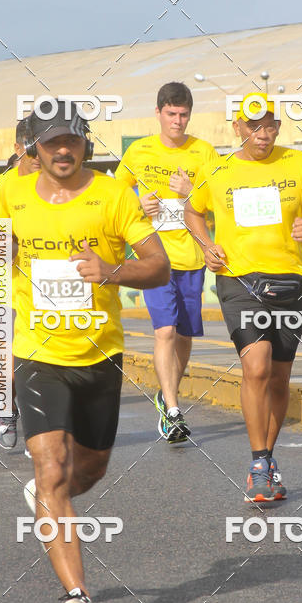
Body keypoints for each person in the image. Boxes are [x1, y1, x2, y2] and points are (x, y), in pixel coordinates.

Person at [0, 102, 169, 603]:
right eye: (51, 143)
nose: (62, 150)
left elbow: (159, 265)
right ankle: (79, 600)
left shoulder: (114, 194)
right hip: (37, 353)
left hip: (99, 353)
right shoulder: (6, 195)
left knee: (88, 471)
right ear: (33, 148)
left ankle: (53, 498)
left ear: (84, 143)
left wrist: (112, 271)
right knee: (50, 469)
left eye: (71, 140)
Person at [185, 93, 302, 503]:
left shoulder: (299, 164)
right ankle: (257, 463)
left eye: (270, 125)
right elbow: (192, 210)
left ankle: (267, 458)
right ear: (237, 128)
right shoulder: (216, 168)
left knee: (279, 376)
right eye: (254, 126)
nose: (263, 133)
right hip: (238, 280)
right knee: (256, 367)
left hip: (290, 281)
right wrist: (205, 245)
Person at [116, 82, 218, 443]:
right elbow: (116, 192)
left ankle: (166, 391)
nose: (178, 120)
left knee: (185, 335)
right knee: (165, 332)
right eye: (171, 114)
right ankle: (173, 409)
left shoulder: (204, 151)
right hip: (155, 257)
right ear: (158, 113)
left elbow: (220, 198)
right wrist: (136, 204)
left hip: (191, 256)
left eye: (184, 114)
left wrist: (193, 192)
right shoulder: (140, 150)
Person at [0, 119, 40, 450]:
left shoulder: (59, 181)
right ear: (18, 147)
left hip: (52, 286)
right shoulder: (0, 188)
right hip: (9, 283)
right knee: (11, 360)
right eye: (31, 146)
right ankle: (7, 410)